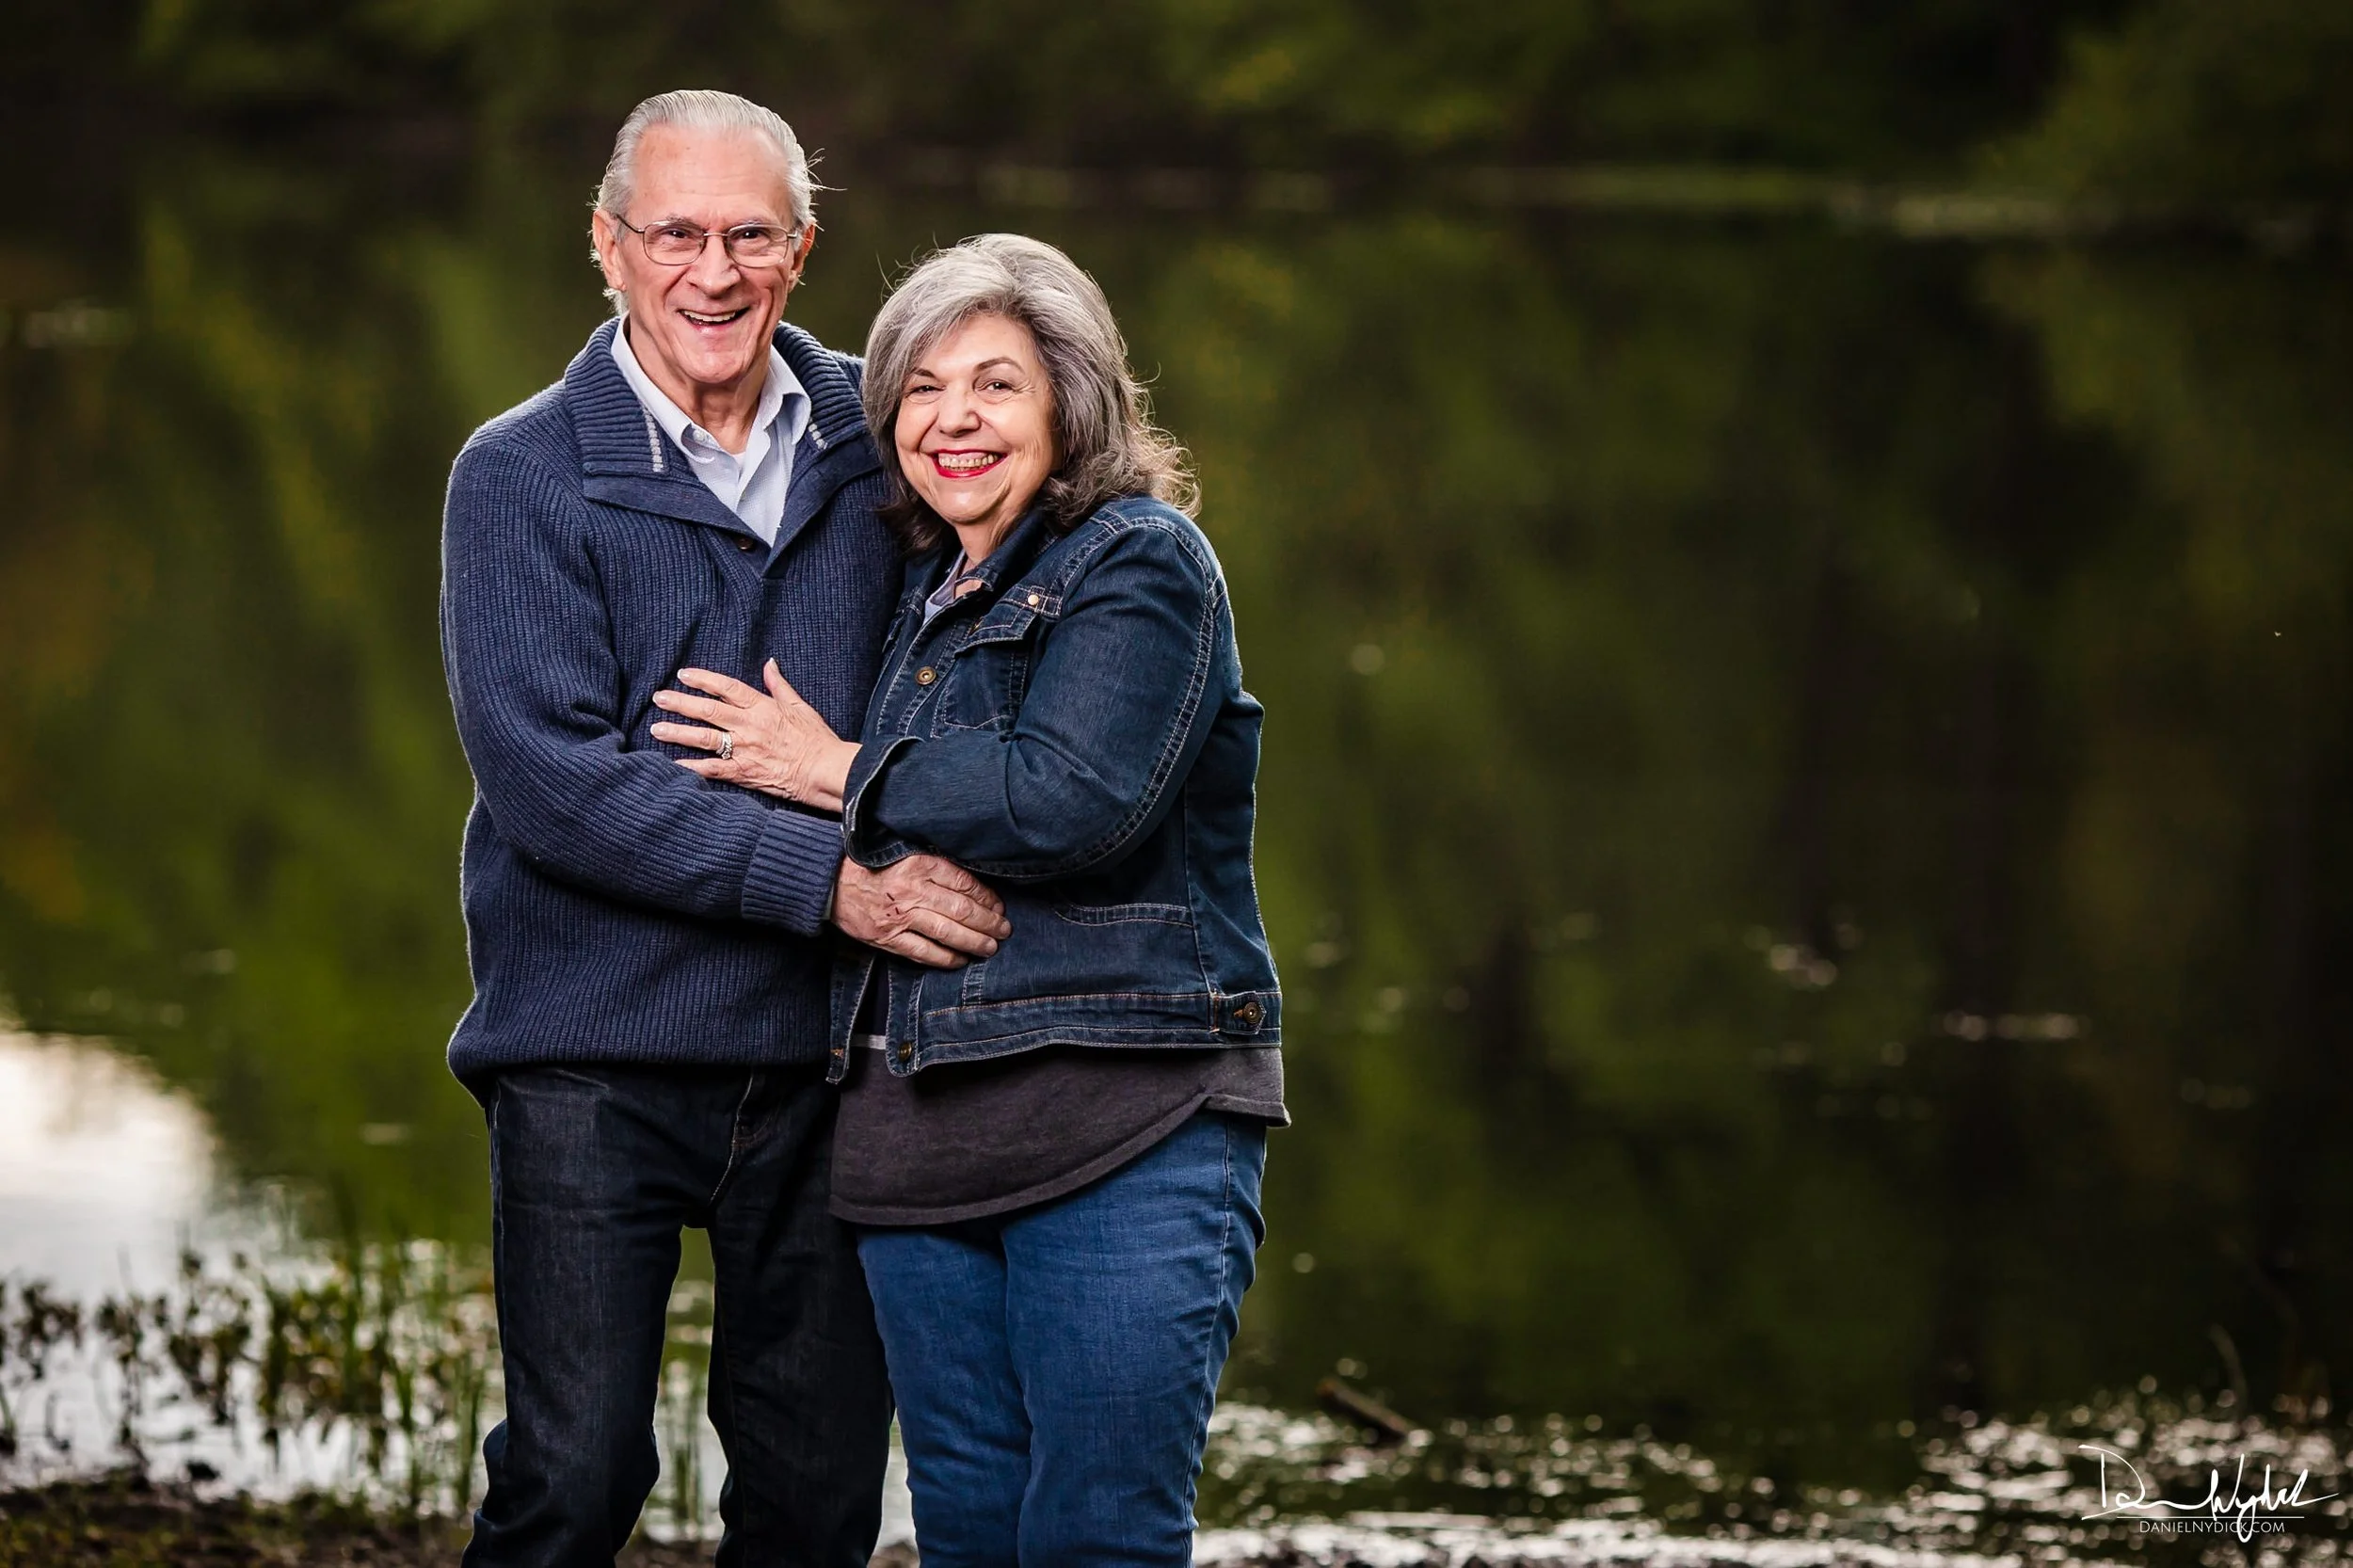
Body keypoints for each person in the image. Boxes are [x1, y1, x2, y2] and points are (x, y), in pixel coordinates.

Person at [437, 91, 1010, 1567]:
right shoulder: (517, 476)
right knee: (573, 1476)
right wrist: (832, 879)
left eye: (750, 233)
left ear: (802, 250)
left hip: (829, 1064)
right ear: (606, 248)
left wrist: (859, 788)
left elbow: (973, 690)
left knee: (816, 1501)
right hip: (589, 1054)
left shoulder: (893, 456)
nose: (713, 270)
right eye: (674, 232)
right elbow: (560, 785)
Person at [652, 232, 1286, 1567]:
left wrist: (838, 771)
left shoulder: (1140, 563)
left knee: (1097, 1533)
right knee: (970, 1530)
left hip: (1125, 1116)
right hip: (918, 1144)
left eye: (995, 384)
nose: (954, 419)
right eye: (922, 387)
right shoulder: (910, 592)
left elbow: (1071, 800)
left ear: (1071, 398)